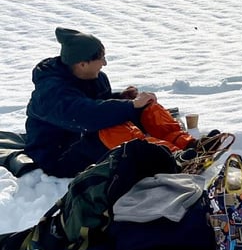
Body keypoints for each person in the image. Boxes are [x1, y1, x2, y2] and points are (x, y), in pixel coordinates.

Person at [24, 27, 217, 178]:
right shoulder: (49, 93)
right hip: (59, 157)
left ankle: (188, 145)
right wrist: (129, 106)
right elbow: (85, 115)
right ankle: (170, 158)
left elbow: (97, 104)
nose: (105, 63)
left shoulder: (95, 77)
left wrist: (123, 98)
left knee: (147, 107)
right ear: (82, 64)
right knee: (115, 127)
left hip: (85, 137)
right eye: (101, 59)